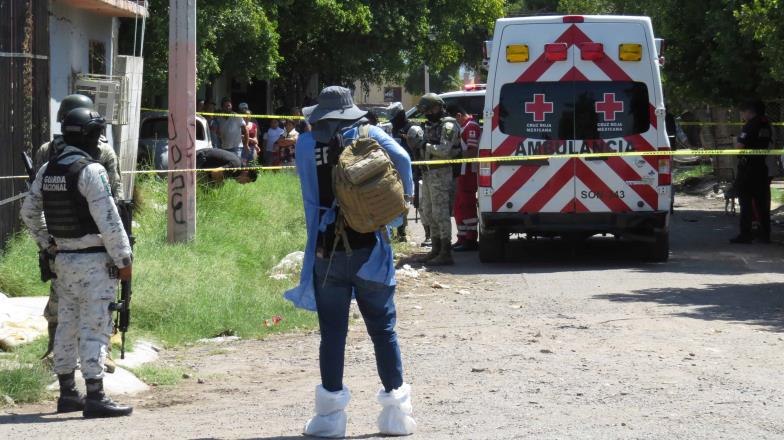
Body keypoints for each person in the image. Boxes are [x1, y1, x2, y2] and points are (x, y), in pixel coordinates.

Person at [284, 86, 416, 438]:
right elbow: (403, 161)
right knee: (383, 330)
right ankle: (395, 417)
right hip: (370, 248)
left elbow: (310, 200)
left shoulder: (306, 144)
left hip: (328, 252)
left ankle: (330, 421)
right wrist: (395, 213)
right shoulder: (370, 134)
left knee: (332, 334)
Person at [20, 107, 133, 418]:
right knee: (96, 326)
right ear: (88, 136)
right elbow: (110, 222)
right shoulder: (91, 170)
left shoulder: (48, 170)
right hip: (95, 262)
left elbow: (28, 213)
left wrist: (48, 244)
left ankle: (68, 393)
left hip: (64, 262)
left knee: (66, 327)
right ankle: (96, 396)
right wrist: (124, 260)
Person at [33, 94, 124, 365]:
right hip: (97, 238)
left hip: (59, 238)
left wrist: (45, 241)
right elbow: (115, 198)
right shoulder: (102, 151)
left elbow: (35, 200)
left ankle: (57, 352)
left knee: (60, 297)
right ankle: (99, 353)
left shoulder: (47, 152)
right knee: (102, 297)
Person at [412, 93, 461, 265]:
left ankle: (446, 252)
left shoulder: (448, 125)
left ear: (437, 108)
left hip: (441, 173)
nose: (427, 114)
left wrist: (424, 145)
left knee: (441, 213)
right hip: (427, 173)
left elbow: (444, 150)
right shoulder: (431, 125)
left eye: (428, 110)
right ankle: (435, 249)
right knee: (428, 211)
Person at [731, 100, 772, 244]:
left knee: (745, 202)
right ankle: (765, 234)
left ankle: (745, 234)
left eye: (742, 113)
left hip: (748, 169)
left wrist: (736, 143)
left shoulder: (750, 125)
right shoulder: (765, 123)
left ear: (749, 112)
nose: (742, 115)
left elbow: (739, 147)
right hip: (761, 167)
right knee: (762, 203)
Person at [447, 104, 481, 252]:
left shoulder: (471, 127)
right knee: (459, 206)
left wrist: (455, 154)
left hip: (468, 171)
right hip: (462, 172)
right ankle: (462, 237)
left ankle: (471, 239)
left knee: (467, 206)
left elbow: (472, 151)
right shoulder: (465, 127)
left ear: (459, 116)